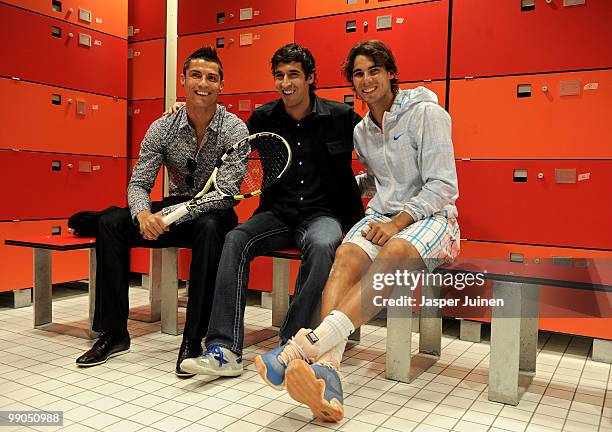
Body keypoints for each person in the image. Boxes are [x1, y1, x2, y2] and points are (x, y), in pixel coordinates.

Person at [254, 40, 461, 422]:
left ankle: (303, 346)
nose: (366, 80)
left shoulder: (426, 113)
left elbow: (443, 186)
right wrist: (349, 185)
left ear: (391, 73)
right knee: (346, 254)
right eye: (358, 74)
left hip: (433, 219)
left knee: (395, 250)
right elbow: (383, 180)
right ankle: (328, 372)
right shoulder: (363, 130)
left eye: (374, 71)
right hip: (384, 215)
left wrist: (397, 222)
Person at [179, 43, 365, 377]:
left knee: (323, 245)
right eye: (279, 75)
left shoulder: (341, 117)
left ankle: (291, 343)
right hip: (278, 213)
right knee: (235, 239)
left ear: (311, 78)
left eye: (293, 74)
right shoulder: (263, 117)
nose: (285, 82)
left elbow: (379, 144)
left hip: (325, 214)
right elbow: (224, 138)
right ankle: (224, 349)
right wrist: (183, 116)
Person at [75, 47, 249, 378]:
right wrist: (143, 217)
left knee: (212, 228)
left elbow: (225, 194)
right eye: (196, 75)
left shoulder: (234, 129)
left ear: (221, 86)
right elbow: (138, 183)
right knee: (111, 223)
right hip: (175, 208)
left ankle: (193, 340)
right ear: (183, 80)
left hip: (212, 212)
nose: (203, 83)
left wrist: (170, 217)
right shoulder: (163, 127)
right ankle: (114, 333)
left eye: (211, 78)